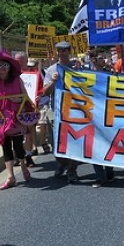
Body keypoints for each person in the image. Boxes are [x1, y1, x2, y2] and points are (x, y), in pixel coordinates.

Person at [0, 52, 31, 190]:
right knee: (6, 146)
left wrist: (19, 99)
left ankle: (23, 165)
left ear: (10, 67)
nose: (3, 67)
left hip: (15, 117)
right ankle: (10, 177)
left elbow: (25, 97)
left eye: (6, 65)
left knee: (18, 145)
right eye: (0, 65)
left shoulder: (16, 80)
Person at [43, 41, 79, 183]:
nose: (61, 53)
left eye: (64, 51)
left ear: (69, 52)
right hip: (54, 111)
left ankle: (71, 171)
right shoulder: (52, 69)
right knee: (54, 142)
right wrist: (53, 81)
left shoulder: (76, 67)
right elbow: (45, 92)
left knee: (73, 143)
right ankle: (62, 163)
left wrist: (79, 73)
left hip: (73, 112)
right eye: (59, 51)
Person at [88, 48, 116, 188]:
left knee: (108, 144)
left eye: (105, 58)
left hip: (108, 115)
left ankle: (109, 170)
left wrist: (116, 75)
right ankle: (99, 176)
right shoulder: (86, 74)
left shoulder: (109, 74)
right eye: (101, 58)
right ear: (93, 60)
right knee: (94, 146)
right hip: (92, 116)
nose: (104, 61)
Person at [14, 52, 38, 168]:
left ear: (26, 60)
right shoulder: (12, 75)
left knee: (27, 131)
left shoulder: (34, 73)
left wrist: (38, 96)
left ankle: (28, 156)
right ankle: (18, 156)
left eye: (22, 60)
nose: (20, 62)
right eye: (17, 60)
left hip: (28, 107)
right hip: (14, 108)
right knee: (15, 133)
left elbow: (40, 89)